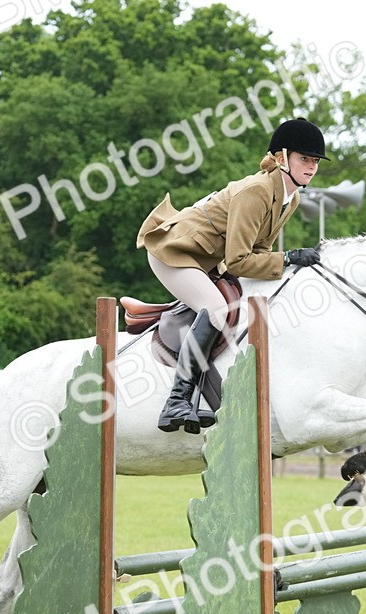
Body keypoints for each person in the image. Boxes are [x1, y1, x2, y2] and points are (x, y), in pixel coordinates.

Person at [137, 117, 328, 433]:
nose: (311, 166)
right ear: (282, 158)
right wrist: (290, 257)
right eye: (304, 158)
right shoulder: (256, 191)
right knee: (216, 308)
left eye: (314, 161)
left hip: (206, 259)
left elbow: (261, 249)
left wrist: (282, 262)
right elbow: (239, 260)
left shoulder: (289, 198)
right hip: (174, 252)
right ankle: (177, 400)